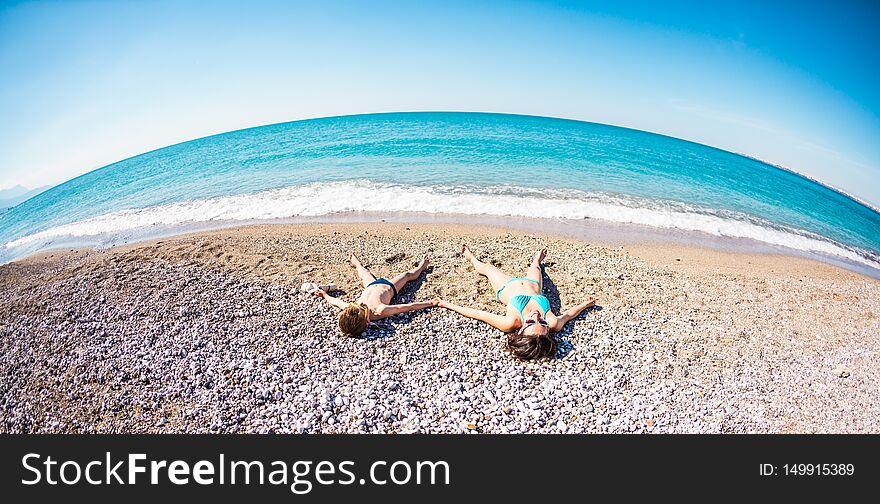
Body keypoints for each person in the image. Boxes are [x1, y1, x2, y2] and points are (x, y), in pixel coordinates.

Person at [434, 245, 596, 360]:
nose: (537, 315)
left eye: (532, 321)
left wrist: (446, 304)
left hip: (505, 285)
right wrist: (585, 305)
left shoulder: (511, 322)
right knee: (536, 267)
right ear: (547, 329)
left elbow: (478, 314)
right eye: (542, 321)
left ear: (521, 330)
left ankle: (471, 257)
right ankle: (536, 259)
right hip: (534, 285)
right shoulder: (553, 322)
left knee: (488, 268)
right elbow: (568, 315)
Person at [314, 253, 435, 336]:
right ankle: (421, 266)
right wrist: (430, 303)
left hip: (371, 285)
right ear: (368, 322)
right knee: (408, 275)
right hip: (390, 286)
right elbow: (408, 307)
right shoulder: (380, 310)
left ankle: (356, 262)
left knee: (363, 272)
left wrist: (325, 295)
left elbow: (336, 302)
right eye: (363, 308)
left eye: (358, 306)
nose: (361, 304)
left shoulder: (352, 309)